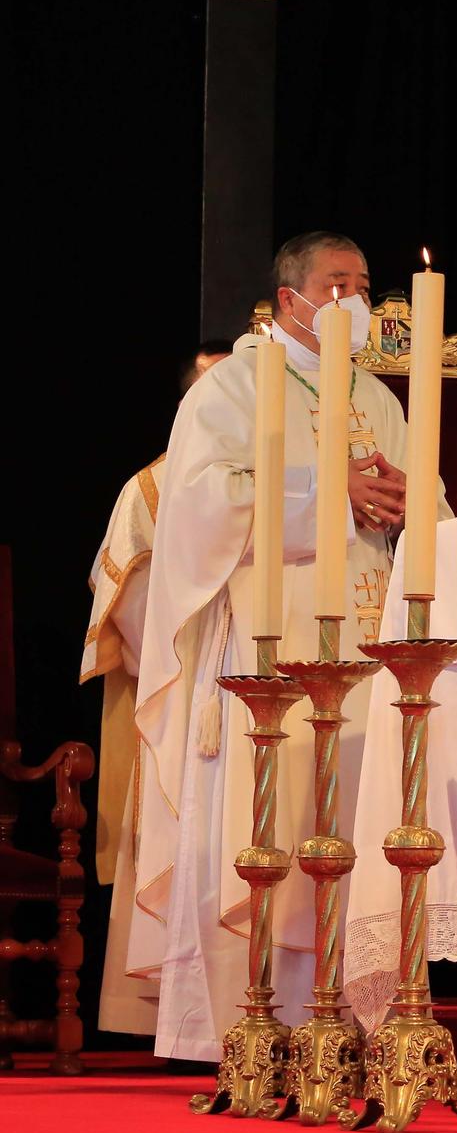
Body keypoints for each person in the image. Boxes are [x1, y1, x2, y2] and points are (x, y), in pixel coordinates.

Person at [125, 231, 449, 1060]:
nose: (355, 298)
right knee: (270, 815)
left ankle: (349, 1020)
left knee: (358, 814)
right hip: (274, 632)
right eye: (337, 282)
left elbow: (429, 501)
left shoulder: (376, 395)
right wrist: (333, 497)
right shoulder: (233, 386)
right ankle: (249, 1024)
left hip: (372, 634)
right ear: (291, 297)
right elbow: (202, 503)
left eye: (365, 283)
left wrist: (412, 500)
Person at [84, 342, 228, 1036]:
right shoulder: (150, 489)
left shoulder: (283, 479)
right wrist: (193, 665)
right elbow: (133, 607)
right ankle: (176, 1017)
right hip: (185, 694)